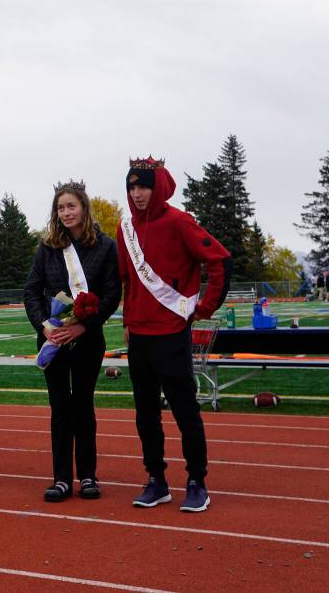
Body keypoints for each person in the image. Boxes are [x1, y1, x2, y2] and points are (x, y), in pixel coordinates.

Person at [117, 157, 231, 513]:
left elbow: (220, 260)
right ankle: (157, 480)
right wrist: (128, 319)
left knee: (185, 412)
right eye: (132, 187)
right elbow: (127, 279)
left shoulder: (180, 222)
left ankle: (197, 481)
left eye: (144, 186)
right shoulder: (126, 230)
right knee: (145, 413)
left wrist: (204, 307)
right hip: (139, 335)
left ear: (159, 186)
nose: (137, 194)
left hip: (172, 334)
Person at [23, 181, 120, 502]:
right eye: (60, 208)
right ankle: (61, 478)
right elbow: (32, 291)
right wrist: (44, 325)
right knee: (59, 408)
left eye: (71, 206)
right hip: (53, 340)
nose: (65, 213)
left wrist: (83, 327)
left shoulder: (105, 246)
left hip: (87, 339)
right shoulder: (48, 246)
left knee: (83, 406)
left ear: (84, 208)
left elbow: (111, 294)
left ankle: (88, 476)